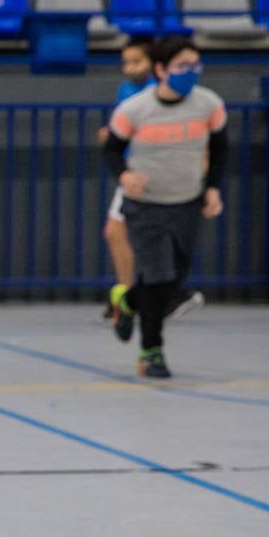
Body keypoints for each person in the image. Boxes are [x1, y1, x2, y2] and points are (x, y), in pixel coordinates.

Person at [102, 36, 227, 378]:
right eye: (181, 66)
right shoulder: (135, 109)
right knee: (158, 278)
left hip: (187, 203)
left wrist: (213, 188)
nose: (190, 72)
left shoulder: (208, 105)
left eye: (194, 65)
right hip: (145, 206)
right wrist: (125, 175)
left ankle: (127, 302)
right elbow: (111, 149)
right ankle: (151, 352)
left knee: (173, 282)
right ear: (161, 69)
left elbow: (220, 148)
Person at [99, 37, 203, 326]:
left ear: (155, 66)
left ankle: (161, 296)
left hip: (153, 179)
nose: (130, 68)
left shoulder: (162, 95)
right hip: (132, 176)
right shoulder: (126, 91)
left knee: (145, 238)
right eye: (125, 62)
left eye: (137, 61)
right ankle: (132, 299)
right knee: (118, 234)